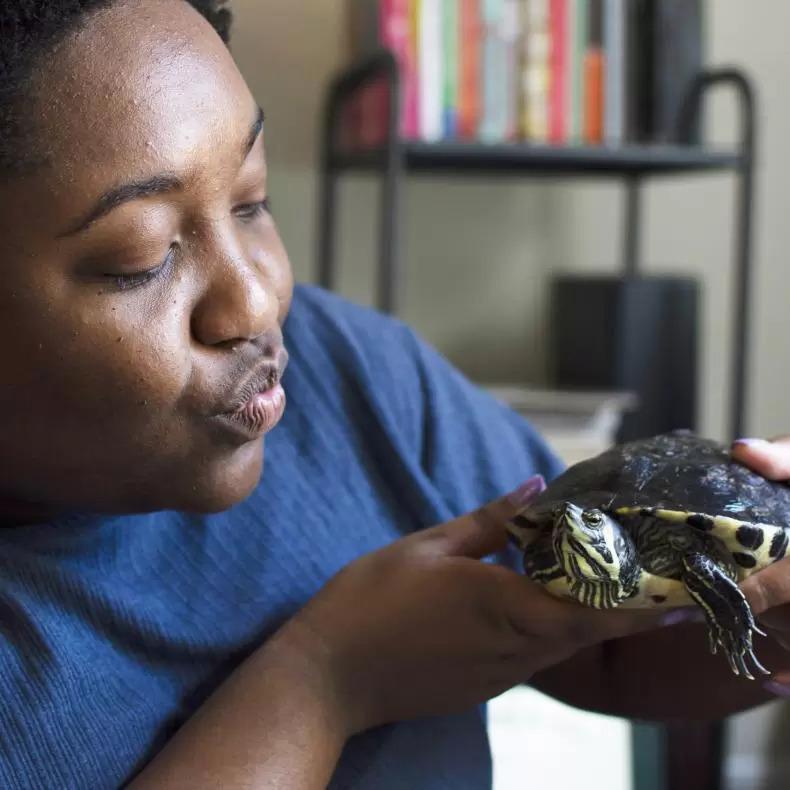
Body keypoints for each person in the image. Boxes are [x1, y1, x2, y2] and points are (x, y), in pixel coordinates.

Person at [1, 1, 790, 787]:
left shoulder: (350, 373)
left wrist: (775, 615)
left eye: (251, 201)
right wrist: (326, 680)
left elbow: (609, 647)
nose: (257, 302)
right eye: (143, 256)